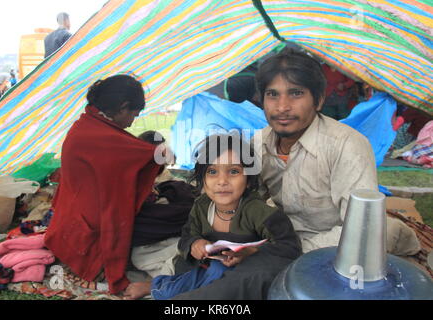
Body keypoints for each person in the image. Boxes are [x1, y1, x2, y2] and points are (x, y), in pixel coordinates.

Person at [255, 49, 420, 255]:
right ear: (262, 100)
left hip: (336, 246)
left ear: (319, 100)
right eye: (272, 95)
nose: (282, 107)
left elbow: (360, 231)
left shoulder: (347, 146)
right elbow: (245, 204)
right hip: (286, 239)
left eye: (296, 93)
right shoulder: (258, 143)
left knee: (379, 233)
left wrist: (288, 250)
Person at [126, 133, 301, 300]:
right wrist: (195, 243)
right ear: (202, 179)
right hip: (203, 268)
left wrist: (251, 251)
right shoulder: (202, 206)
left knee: (230, 279)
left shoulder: (259, 212)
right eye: (212, 172)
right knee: (196, 273)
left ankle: (160, 288)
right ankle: (159, 286)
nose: (222, 181)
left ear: (248, 179)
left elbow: (289, 246)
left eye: (233, 172)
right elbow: (187, 235)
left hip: (240, 271)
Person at [44, 75, 165, 296]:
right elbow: (136, 154)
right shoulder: (94, 134)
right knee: (163, 222)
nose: (131, 123)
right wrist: (159, 153)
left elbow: (124, 153)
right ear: (122, 107)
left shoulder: (90, 126)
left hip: (75, 222)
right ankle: (100, 265)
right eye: (132, 115)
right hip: (85, 234)